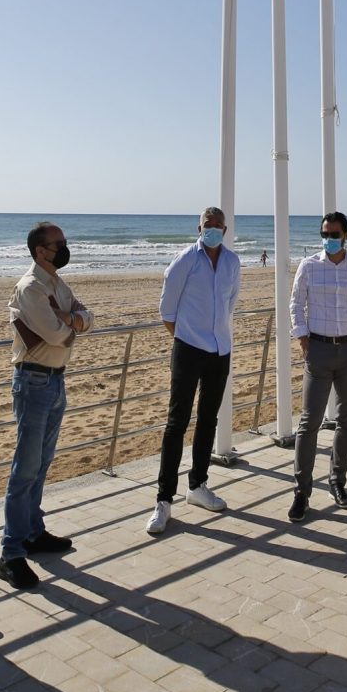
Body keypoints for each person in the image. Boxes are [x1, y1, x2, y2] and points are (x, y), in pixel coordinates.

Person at [0, 222, 92, 590]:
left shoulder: (56, 284)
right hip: (34, 380)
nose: (65, 247)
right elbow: (57, 334)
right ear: (41, 250)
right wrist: (72, 323)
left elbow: (84, 317)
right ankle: (11, 553)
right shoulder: (31, 288)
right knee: (25, 468)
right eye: (59, 243)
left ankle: (33, 532)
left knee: (41, 464)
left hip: (54, 378)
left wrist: (70, 320)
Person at [146, 207, 241, 537]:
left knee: (208, 420)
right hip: (188, 348)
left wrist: (215, 337)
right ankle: (163, 500)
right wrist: (187, 338)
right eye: (207, 225)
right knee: (176, 422)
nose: (212, 229)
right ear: (198, 227)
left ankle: (198, 484)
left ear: (225, 229)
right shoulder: (186, 259)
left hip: (220, 350)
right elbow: (166, 309)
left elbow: (230, 304)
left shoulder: (232, 262)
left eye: (218, 226)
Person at [287, 212, 347, 521]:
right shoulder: (309, 266)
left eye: (335, 233)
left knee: (346, 420)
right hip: (319, 349)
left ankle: (338, 482)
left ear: (346, 235)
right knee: (308, 422)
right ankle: (301, 491)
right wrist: (301, 336)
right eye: (325, 233)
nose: (329, 238)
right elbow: (296, 303)